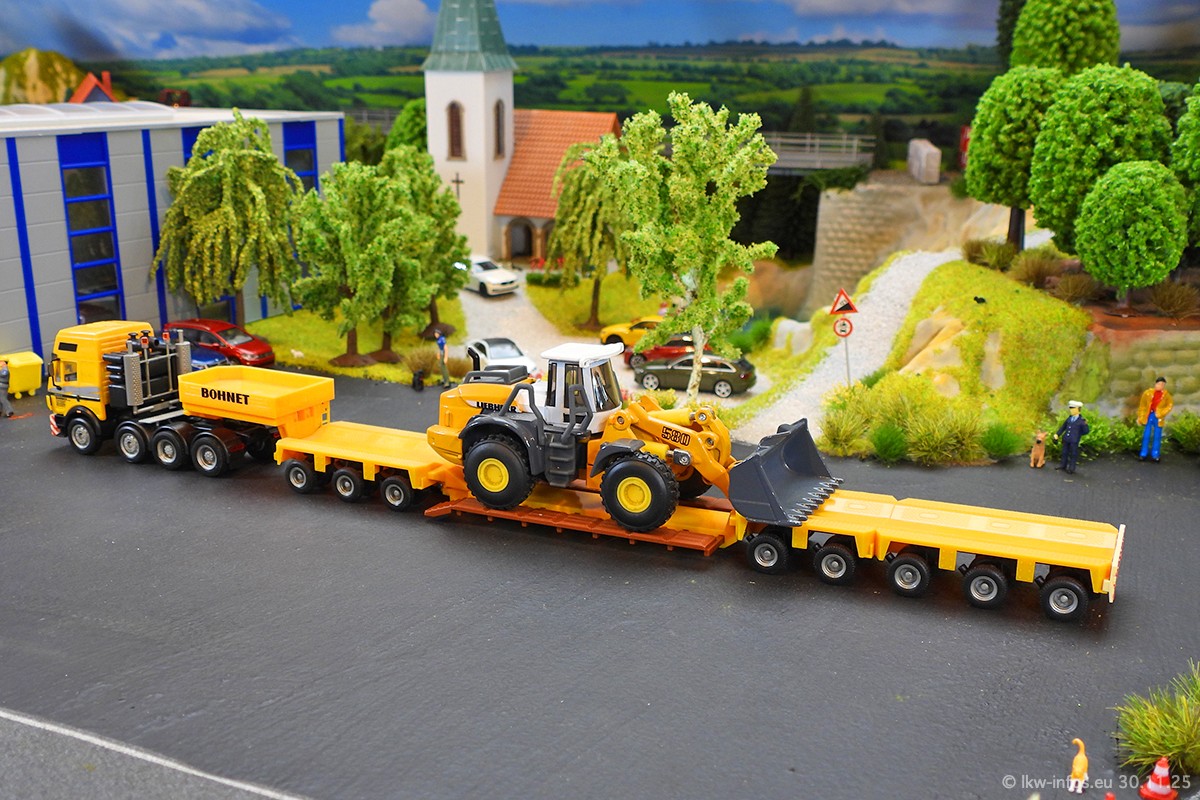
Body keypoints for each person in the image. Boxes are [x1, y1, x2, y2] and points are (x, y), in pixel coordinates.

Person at [1137, 377, 1173, 462]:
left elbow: (1169, 405)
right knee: (1146, 435)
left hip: (1158, 417)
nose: (1161, 386)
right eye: (1159, 384)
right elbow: (1142, 406)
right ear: (1155, 384)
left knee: (1157, 436)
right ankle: (1143, 453)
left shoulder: (1166, 395)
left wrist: (1161, 413)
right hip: (1148, 415)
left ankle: (1155, 454)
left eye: (1163, 384)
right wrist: (1141, 416)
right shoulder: (1147, 393)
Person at [1053, 400, 1089, 474]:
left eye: (1073, 408)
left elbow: (1086, 431)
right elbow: (1063, 427)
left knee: (1073, 454)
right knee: (1064, 452)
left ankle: (1071, 468)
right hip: (1066, 439)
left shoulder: (1081, 421)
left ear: (1078, 409)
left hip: (1074, 440)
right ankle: (1063, 465)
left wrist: (1078, 434)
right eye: (1070, 408)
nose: (1071, 410)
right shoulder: (1069, 418)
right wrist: (1057, 434)